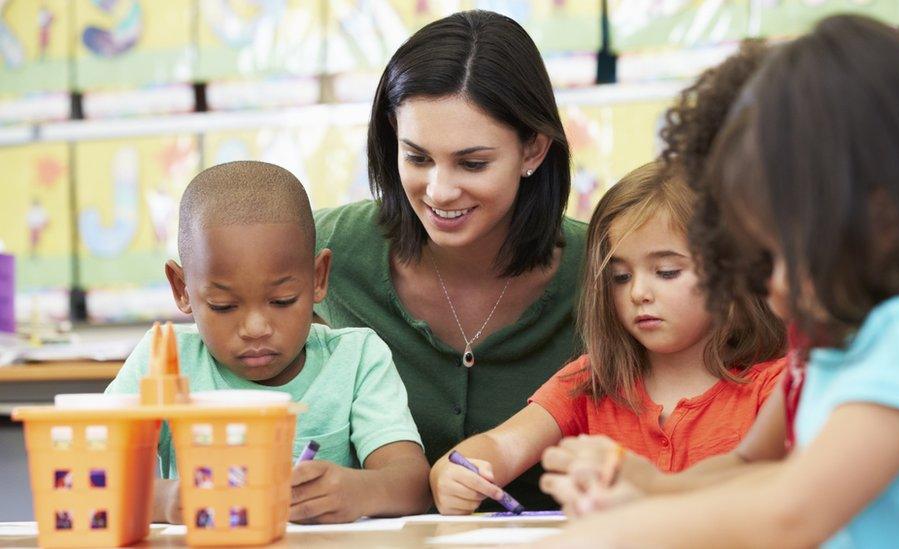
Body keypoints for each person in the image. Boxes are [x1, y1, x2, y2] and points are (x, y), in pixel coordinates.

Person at [539, 14, 899, 547]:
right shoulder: (832, 351)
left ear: (885, 214)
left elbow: (793, 510)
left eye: (779, 254)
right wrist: (650, 487)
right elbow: (753, 469)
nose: (769, 288)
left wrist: (625, 530)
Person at [313, 10, 586, 509]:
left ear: (534, 150)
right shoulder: (325, 248)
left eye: (472, 162)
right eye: (417, 157)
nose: (438, 190)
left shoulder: (607, 269)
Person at [429, 161, 785, 514]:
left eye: (666, 272)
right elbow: (501, 446)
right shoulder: (592, 380)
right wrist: (454, 474)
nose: (639, 293)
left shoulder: (776, 387)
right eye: (620, 277)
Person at [106, 161, 430, 524]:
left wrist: (359, 492)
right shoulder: (163, 361)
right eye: (223, 306)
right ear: (182, 289)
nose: (256, 328)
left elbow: (413, 484)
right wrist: (165, 500)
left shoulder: (357, 358)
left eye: (282, 301)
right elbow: (91, 476)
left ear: (318, 278)